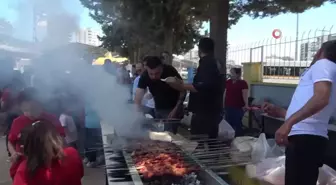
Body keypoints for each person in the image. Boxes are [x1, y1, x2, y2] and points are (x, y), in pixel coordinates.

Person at [262, 41, 336, 185]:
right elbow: (315, 113)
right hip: (310, 139)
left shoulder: (323, 64)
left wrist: (288, 123)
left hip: (304, 139)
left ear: (320, 52)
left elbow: (321, 98)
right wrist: (281, 112)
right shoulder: (330, 71)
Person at [166, 37, 224, 139]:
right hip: (213, 110)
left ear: (200, 49)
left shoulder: (208, 64)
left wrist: (179, 85)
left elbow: (200, 87)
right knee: (210, 141)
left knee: (199, 142)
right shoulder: (215, 63)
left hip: (204, 113)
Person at [8, 87, 65, 179]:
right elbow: (11, 141)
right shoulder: (17, 122)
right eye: (25, 110)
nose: (30, 113)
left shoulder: (51, 119)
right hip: (23, 166)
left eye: (33, 109)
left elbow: (61, 139)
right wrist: (14, 153)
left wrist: (56, 152)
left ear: (40, 104)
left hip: (48, 166)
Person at [13, 121, 83, 185]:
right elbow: (80, 174)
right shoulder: (72, 153)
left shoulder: (25, 168)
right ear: (56, 137)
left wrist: (15, 165)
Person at [135, 56, 186, 133]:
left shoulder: (170, 71)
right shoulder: (145, 75)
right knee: (158, 133)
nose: (154, 76)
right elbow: (138, 95)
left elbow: (183, 90)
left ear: (162, 67)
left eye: (157, 73)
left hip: (173, 108)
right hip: (158, 108)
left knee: (169, 135)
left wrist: (176, 109)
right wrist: (136, 113)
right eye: (151, 74)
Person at [224, 67, 248, 136]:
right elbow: (225, 94)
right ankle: (229, 140)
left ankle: (239, 139)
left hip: (238, 107)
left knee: (237, 124)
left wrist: (246, 105)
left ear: (238, 74)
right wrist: (223, 105)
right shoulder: (228, 82)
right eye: (230, 72)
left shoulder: (243, 83)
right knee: (228, 124)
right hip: (228, 106)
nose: (230, 74)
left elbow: (245, 95)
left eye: (232, 73)